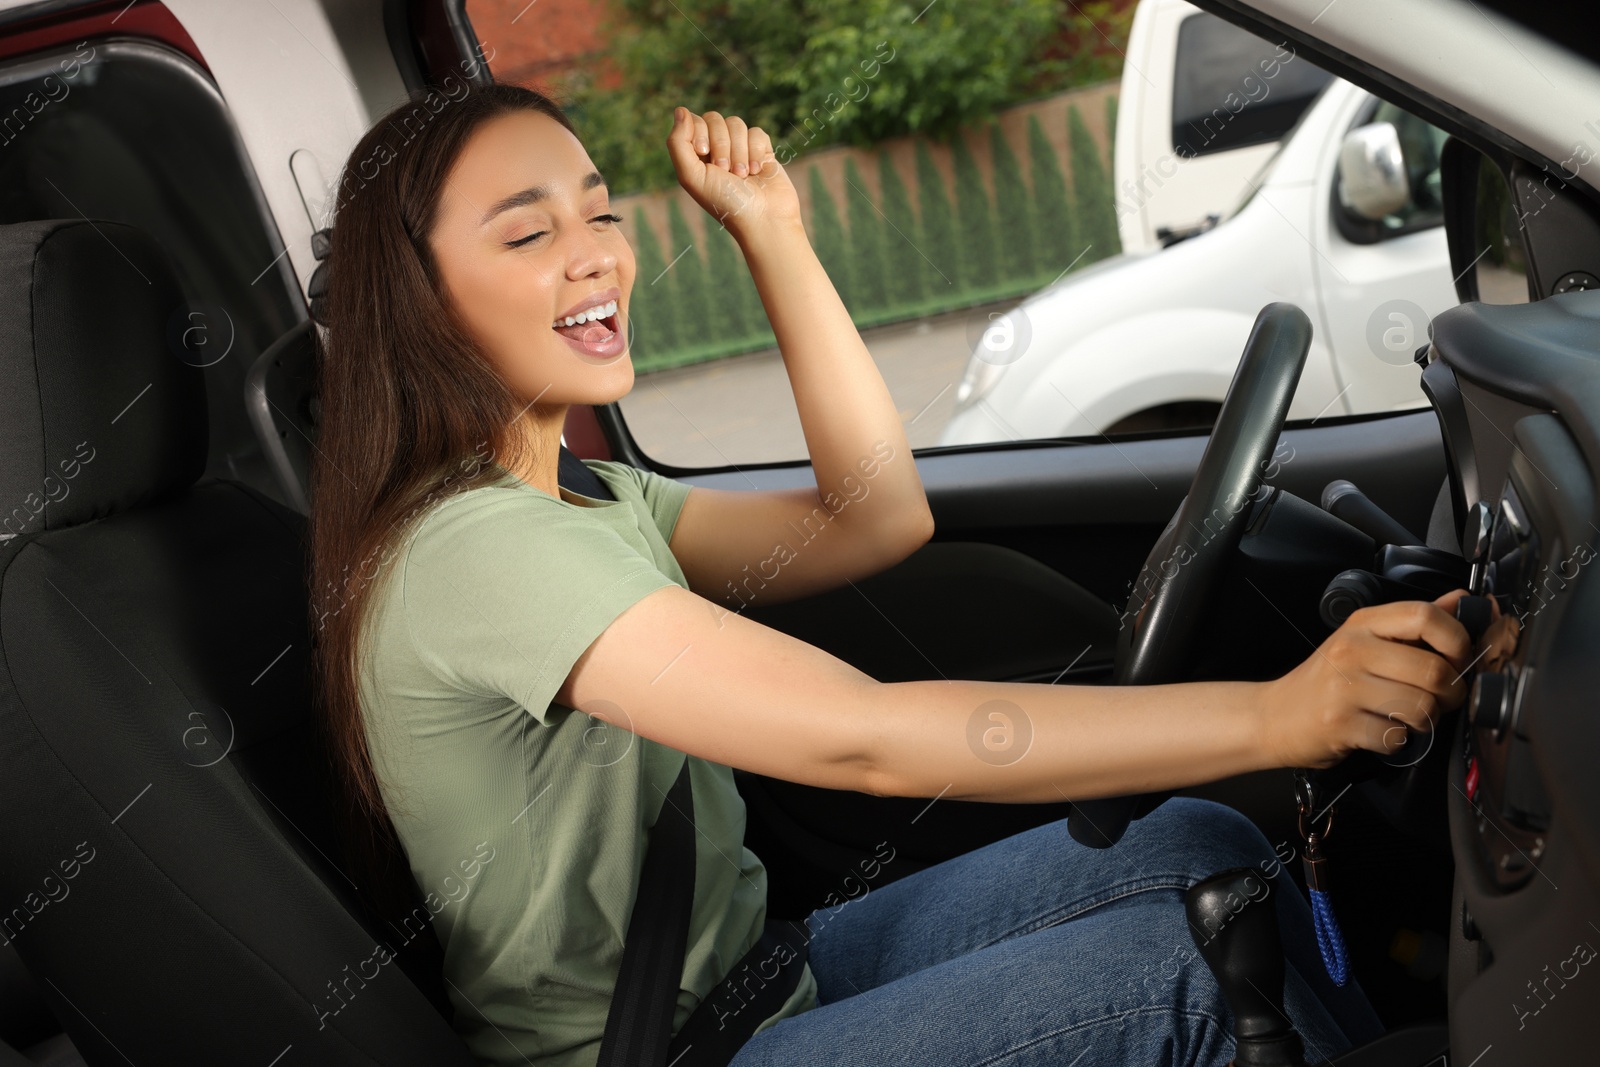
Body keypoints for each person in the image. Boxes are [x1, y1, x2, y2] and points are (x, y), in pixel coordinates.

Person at [307, 82, 1475, 1067]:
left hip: (756, 974)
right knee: (1188, 975)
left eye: (601, 212)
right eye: (528, 233)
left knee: (1201, 844)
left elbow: (873, 514)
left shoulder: (592, 495)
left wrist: (772, 230)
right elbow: (858, 735)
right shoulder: (472, 549)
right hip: (659, 1048)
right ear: (413, 301)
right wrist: (1283, 712)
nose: (598, 251)